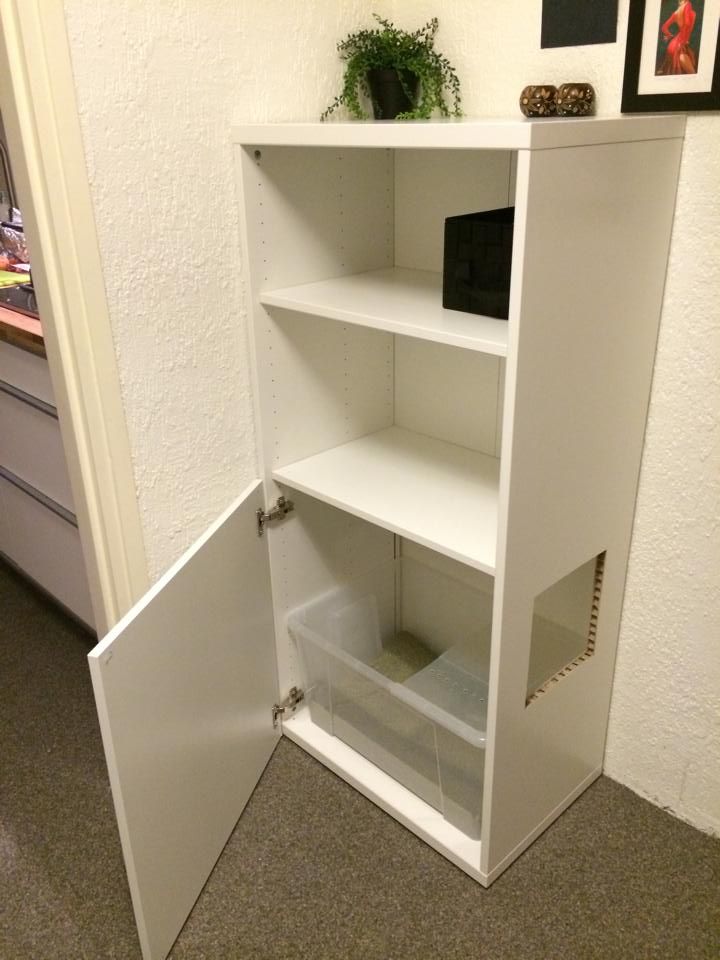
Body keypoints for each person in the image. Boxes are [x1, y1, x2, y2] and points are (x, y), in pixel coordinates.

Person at [657, 0, 698, 75]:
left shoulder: (676, 12)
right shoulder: (687, 4)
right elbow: (687, 23)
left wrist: (670, 36)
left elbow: (664, 28)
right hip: (680, 44)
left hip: (673, 44)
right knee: (692, 74)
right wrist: (683, 41)